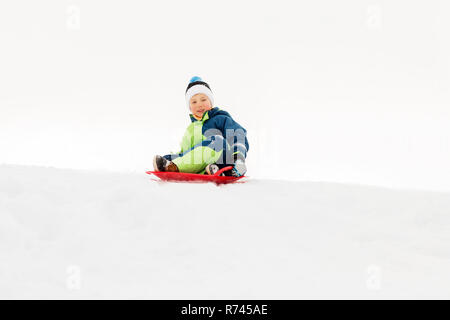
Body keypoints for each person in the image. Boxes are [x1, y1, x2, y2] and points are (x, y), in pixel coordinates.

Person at [153, 76, 249, 177]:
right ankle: (170, 165)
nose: (199, 105)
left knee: (217, 141)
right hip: (200, 165)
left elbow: (238, 135)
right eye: (194, 102)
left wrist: (239, 159)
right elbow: (186, 153)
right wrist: (170, 158)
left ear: (211, 102)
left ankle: (176, 167)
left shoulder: (220, 119)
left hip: (224, 158)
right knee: (171, 156)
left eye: (203, 100)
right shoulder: (191, 129)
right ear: (189, 107)